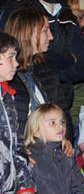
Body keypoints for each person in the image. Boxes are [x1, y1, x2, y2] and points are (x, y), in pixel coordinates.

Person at [0, 33, 37, 194]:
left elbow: (15, 147)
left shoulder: (7, 97)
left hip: (9, 192)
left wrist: (25, 184)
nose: (16, 63)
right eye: (11, 57)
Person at [3, 8, 59, 140]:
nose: (51, 37)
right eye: (45, 30)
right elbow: (18, 129)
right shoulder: (13, 79)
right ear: (29, 34)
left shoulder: (31, 73)